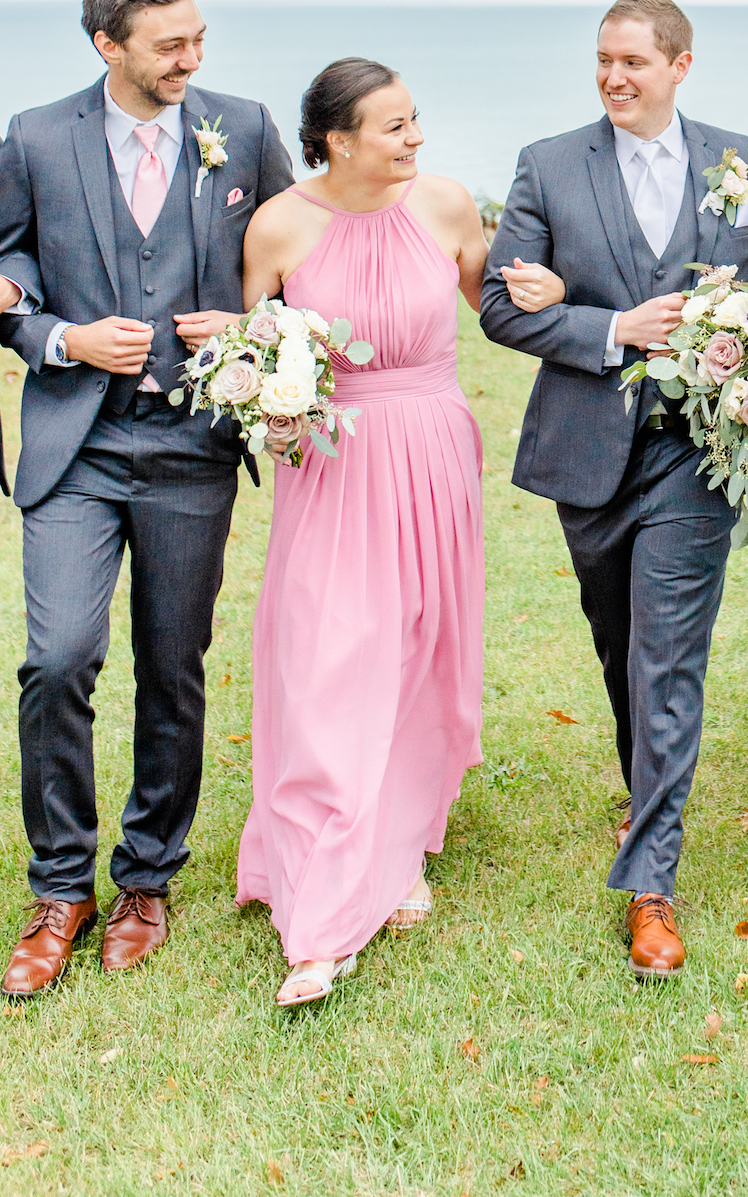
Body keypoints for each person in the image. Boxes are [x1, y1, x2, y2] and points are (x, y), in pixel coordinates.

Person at [0, 0, 294, 997]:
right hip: (76, 449)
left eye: (198, 37)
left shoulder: (244, 127)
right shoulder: (36, 137)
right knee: (57, 658)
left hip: (192, 450)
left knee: (173, 666)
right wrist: (64, 336)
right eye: (170, 44)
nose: (192, 58)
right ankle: (59, 885)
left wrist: (253, 323)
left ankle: (147, 878)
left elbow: (299, 259)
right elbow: (7, 272)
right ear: (107, 46)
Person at [479, 0, 748, 980]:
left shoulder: (739, 163)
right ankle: (645, 779)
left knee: (668, 654)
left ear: (680, 66)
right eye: (603, 61)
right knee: (621, 645)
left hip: (699, 455)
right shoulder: (548, 164)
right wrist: (613, 330)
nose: (614, 78)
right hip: (589, 452)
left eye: (633, 63)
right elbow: (499, 305)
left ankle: (652, 881)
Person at [235, 58, 489, 1009]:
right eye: (394, 126)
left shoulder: (450, 206)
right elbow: (251, 347)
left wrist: (547, 290)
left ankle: (396, 838)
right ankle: (328, 903)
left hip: (431, 448)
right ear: (338, 139)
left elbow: (493, 308)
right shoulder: (282, 224)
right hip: (332, 463)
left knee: (417, 645)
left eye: (415, 120)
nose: (415, 138)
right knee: (331, 653)